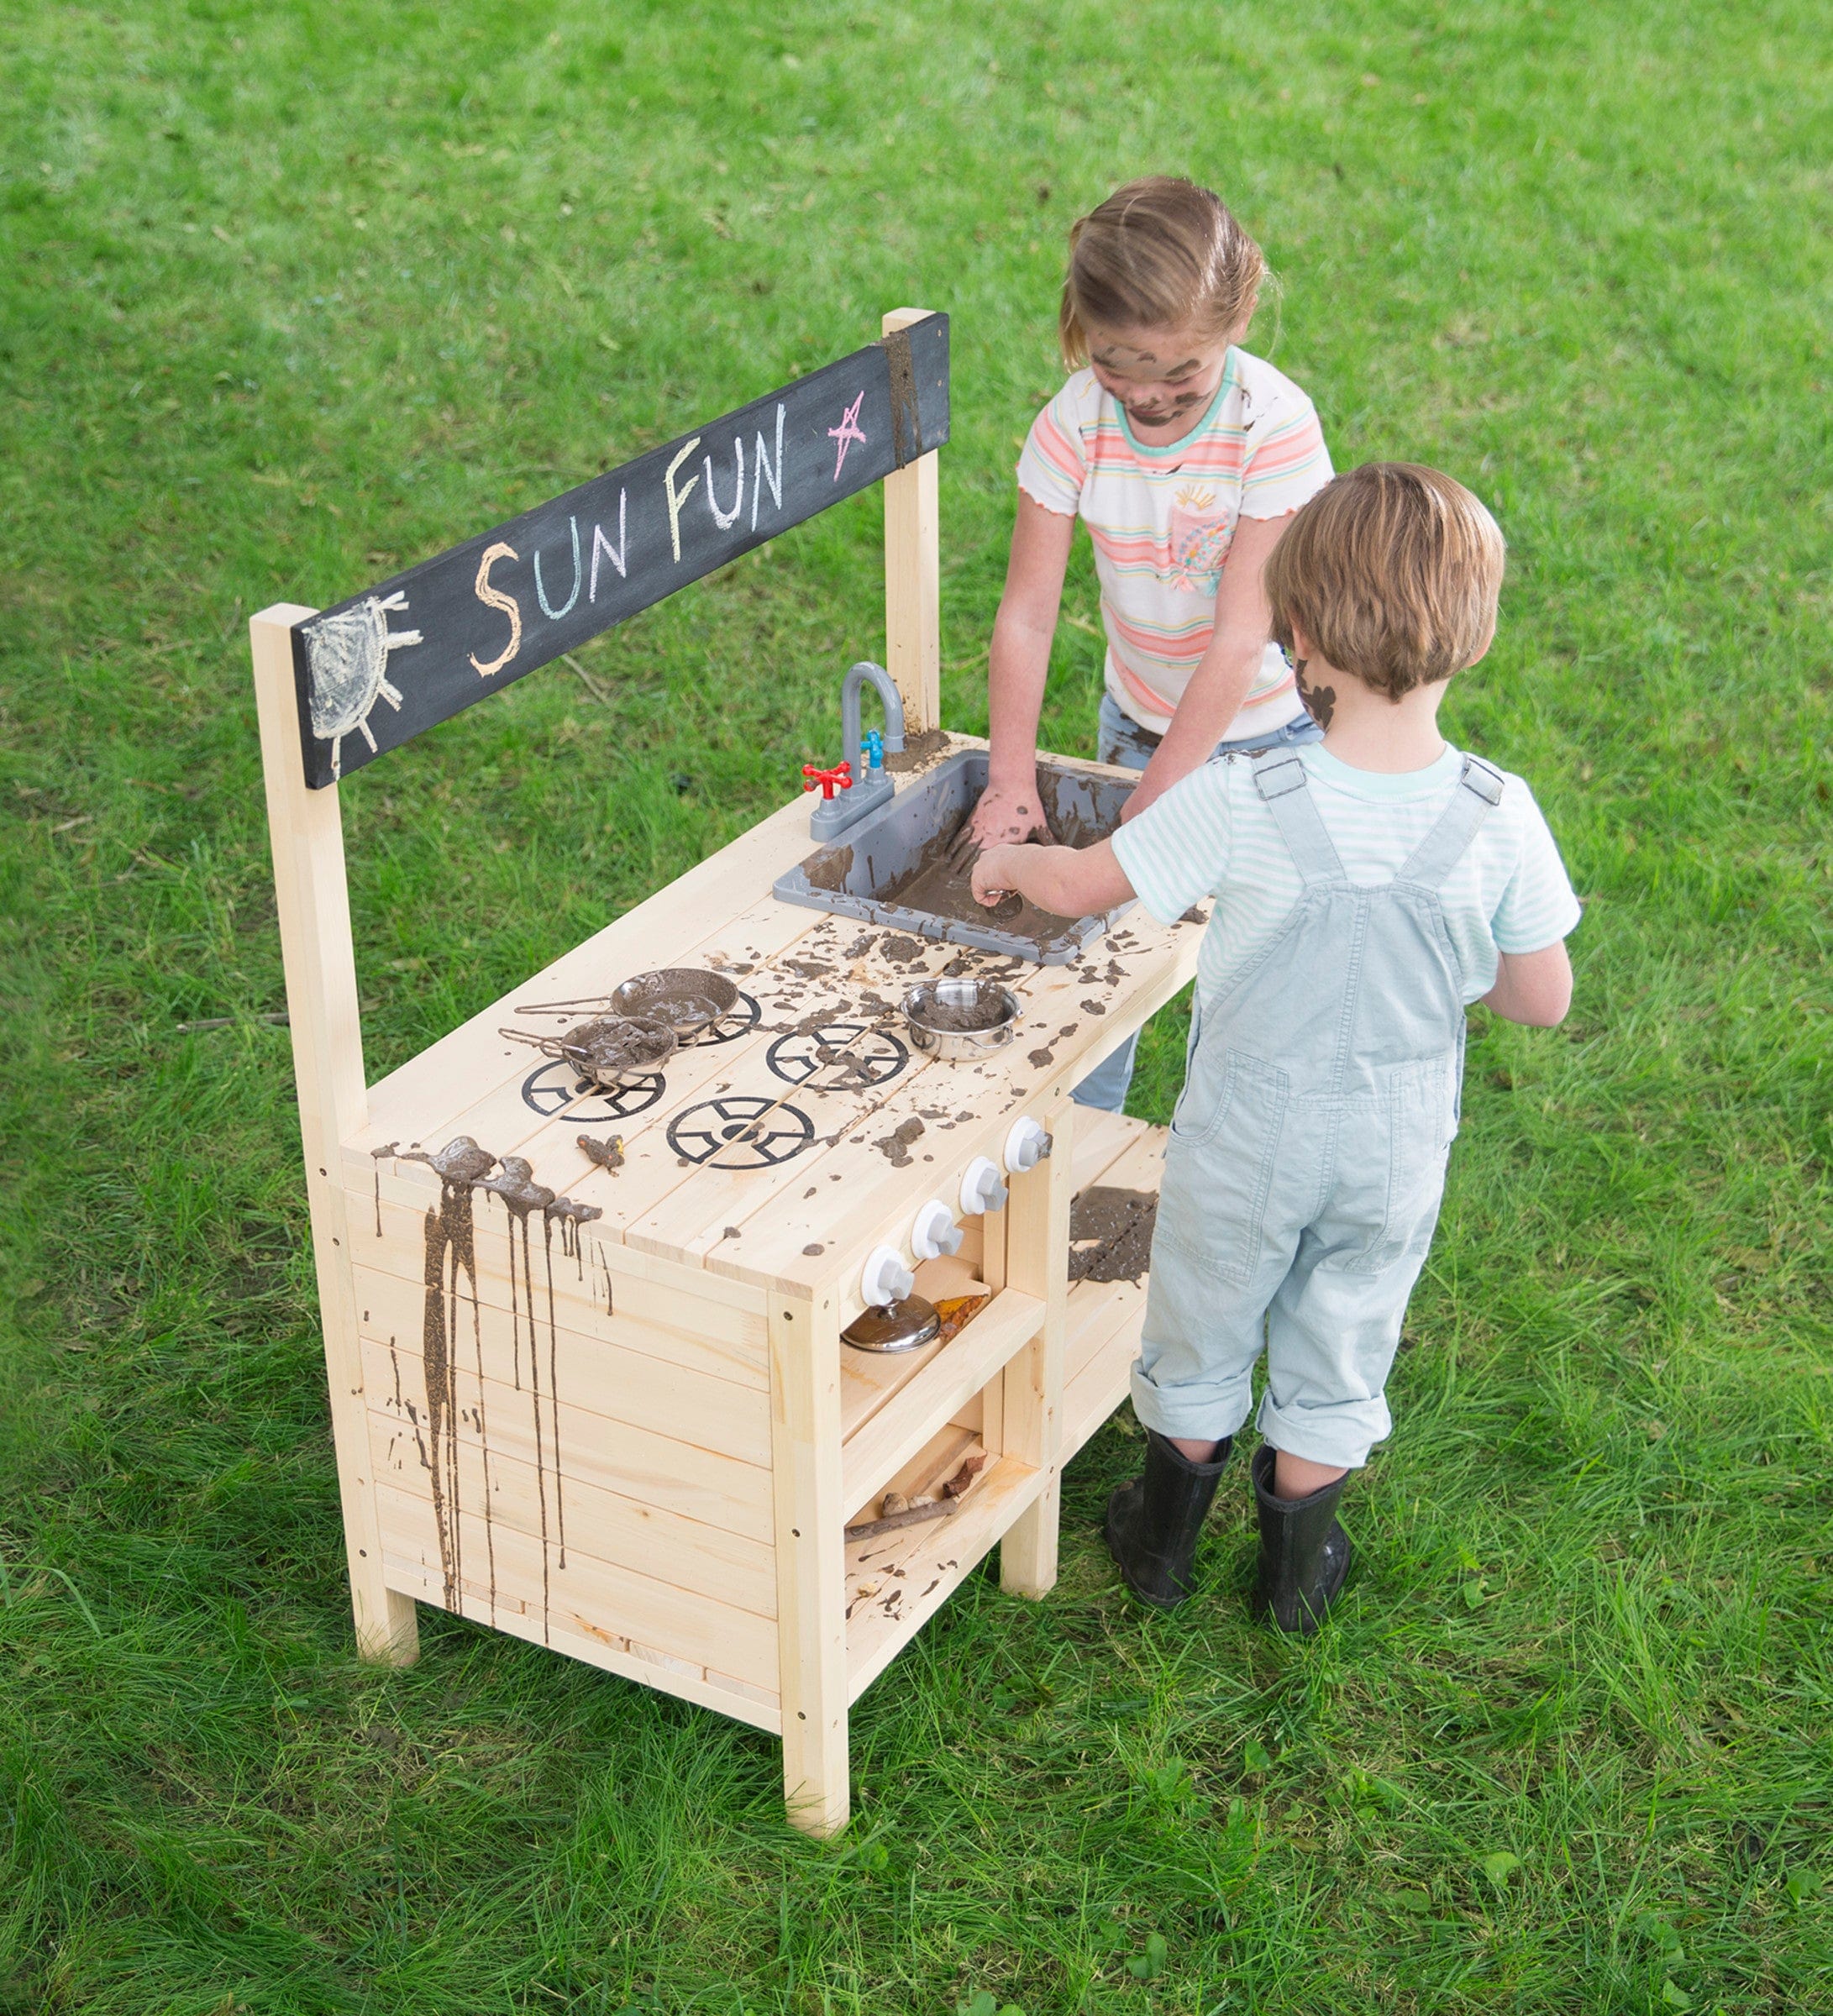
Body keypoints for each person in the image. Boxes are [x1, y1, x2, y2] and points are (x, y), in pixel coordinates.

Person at [969, 463, 1580, 1632]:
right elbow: (1539, 997)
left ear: (1295, 634)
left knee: (1203, 1310)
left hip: (1247, 1131)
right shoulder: (1497, 814)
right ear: (1472, 636)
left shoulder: (1246, 792)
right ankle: (1295, 1575)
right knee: (1344, 1322)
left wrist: (1008, 865)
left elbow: (1091, 883)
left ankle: (1158, 1544)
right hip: (1393, 1143)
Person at [952, 175, 1336, 1114]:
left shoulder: (1271, 430)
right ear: (1082, 331)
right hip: (1136, 723)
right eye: (1122, 364)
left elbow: (1243, 637)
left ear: (1237, 323)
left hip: (1271, 741)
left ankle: (1232, 1148)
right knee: (1105, 964)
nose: (1150, 396)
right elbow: (1026, 615)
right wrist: (1008, 780)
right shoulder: (1072, 425)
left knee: (1253, 968)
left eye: (1182, 373)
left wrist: (1162, 801)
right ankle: (1082, 1145)